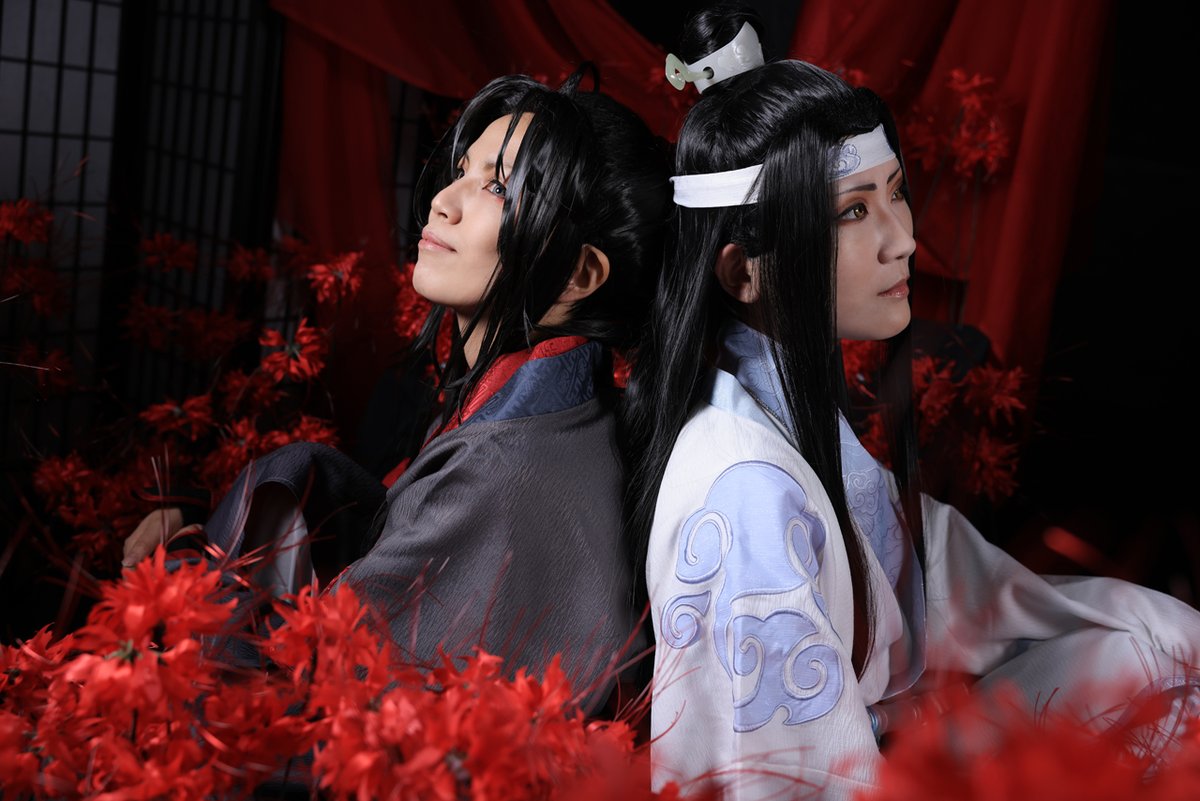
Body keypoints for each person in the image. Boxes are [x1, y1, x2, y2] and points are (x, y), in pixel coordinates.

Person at [624, 8, 1200, 798]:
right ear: (743, 271)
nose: (904, 240)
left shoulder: (781, 406)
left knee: (1160, 651)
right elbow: (791, 777)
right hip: (862, 771)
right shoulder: (746, 489)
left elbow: (953, 580)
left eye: (897, 195)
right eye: (855, 211)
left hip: (893, 731)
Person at [124, 70, 670, 706]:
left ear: (578, 274)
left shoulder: (503, 470)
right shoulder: (533, 413)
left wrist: (181, 573)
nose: (444, 201)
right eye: (461, 170)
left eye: (498, 186)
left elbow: (317, 697)